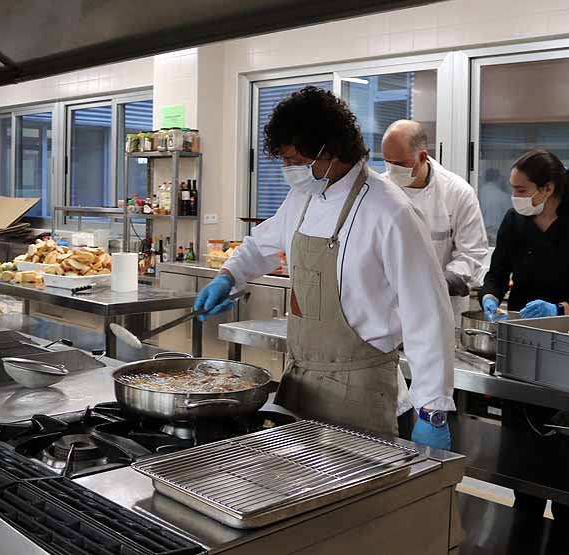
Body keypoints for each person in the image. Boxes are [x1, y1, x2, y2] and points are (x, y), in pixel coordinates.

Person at [194, 86, 455, 449]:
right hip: (302, 386)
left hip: (361, 394)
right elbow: (263, 243)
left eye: (297, 162)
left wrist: (433, 409)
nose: (290, 172)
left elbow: (428, 314)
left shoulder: (391, 212)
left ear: (331, 151)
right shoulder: (303, 196)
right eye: (285, 162)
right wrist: (228, 276)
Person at [480, 149, 569, 545]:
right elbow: (496, 273)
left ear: (548, 188)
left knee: (568, 462)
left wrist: (561, 309)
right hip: (522, 348)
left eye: (521, 189)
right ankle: (523, 529)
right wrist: (490, 296)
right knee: (522, 459)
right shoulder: (515, 221)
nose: (514, 196)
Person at [381, 120, 489, 315]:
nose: (391, 169)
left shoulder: (457, 192)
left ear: (423, 157)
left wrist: (443, 282)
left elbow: (472, 253)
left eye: (399, 164)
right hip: (388, 307)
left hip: (441, 306)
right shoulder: (379, 191)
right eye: (387, 162)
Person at [479, 168, 511, 244]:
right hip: (497, 239)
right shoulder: (504, 197)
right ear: (498, 178)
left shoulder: (478, 192)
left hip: (481, 238)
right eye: (502, 178)